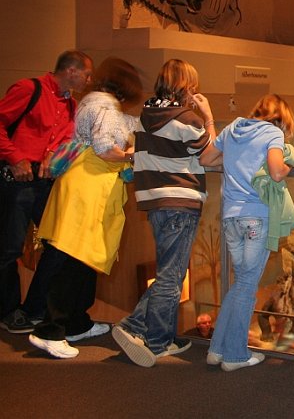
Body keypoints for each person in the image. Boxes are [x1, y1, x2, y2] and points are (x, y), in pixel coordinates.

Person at [27, 58, 142, 359]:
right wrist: (131, 156)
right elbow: (105, 148)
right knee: (73, 260)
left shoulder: (91, 101)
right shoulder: (108, 107)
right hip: (89, 188)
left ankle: (76, 322)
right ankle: (50, 330)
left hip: (80, 182)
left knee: (81, 258)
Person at [113, 59, 218, 368]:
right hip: (181, 202)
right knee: (171, 276)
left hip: (155, 203)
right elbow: (210, 155)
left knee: (170, 272)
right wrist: (209, 118)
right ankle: (140, 330)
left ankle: (164, 336)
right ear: (187, 87)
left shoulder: (145, 117)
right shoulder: (187, 119)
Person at [201, 93, 294, 371]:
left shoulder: (234, 128)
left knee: (240, 283)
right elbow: (277, 172)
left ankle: (217, 349)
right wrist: (290, 164)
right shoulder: (272, 133)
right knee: (246, 285)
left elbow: (207, 159)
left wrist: (235, 161)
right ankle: (235, 355)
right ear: (282, 119)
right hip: (256, 216)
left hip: (231, 217)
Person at [0, 50, 93, 333]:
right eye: (87, 74)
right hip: (17, 179)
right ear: (71, 71)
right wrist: (15, 158)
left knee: (59, 243)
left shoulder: (71, 105)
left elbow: (66, 140)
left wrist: (54, 155)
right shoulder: (29, 89)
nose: (89, 80)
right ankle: (8, 311)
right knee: (10, 247)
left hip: (45, 182)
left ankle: (34, 308)